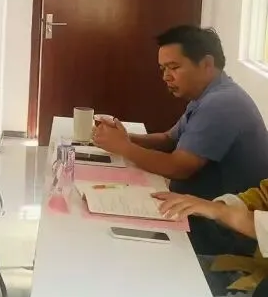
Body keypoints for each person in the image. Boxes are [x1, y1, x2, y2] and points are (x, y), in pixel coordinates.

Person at [93, 26, 268, 255]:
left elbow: (179, 167)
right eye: (163, 69)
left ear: (207, 64)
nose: (166, 76)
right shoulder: (205, 96)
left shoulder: (222, 104)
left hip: (221, 230)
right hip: (194, 211)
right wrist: (126, 138)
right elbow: (169, 139)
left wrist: (124, 147)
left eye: (174, 67)